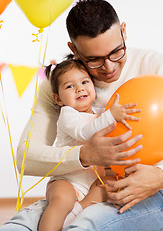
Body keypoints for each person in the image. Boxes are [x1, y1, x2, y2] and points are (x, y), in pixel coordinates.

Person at [0, 0, 163, 231]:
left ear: (124, 32)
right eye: (94, 60)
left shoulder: (156, 66)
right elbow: (26, 159)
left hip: (144, 194)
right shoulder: (62, 83)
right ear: (73, 50)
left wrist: (161, 175)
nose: (108, 67)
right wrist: (85, 155)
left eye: (116, 52)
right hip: (75, 191)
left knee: (85, 227)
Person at [38, 58, 140, 230]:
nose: (80, 88)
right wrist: (111, 116)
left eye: (85, 82)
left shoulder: (100, 113)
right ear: (58, 99)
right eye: (69, 86)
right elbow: (84, 133)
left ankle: (76, 213)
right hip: (67, 180)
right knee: (61, 201)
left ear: (93, 87)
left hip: (93, 181)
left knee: (108, 189)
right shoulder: (68, 115)